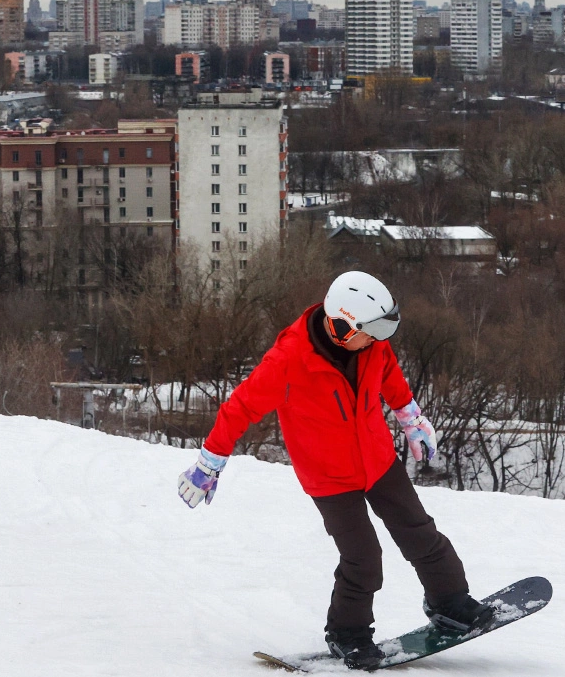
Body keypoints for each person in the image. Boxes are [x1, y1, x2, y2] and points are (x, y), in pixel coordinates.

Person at [178, 271, 492, 670]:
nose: (379, 340)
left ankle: (450, 603)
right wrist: (210, 461)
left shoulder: (372, 346)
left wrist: (410, 417)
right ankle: (348, 633)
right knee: (363, 556)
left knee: (420, 532)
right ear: (343, 326)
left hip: (377, 460)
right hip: (329, 478)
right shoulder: (288, 361)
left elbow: (389, 374)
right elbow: (240, 408)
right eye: (371, 332)